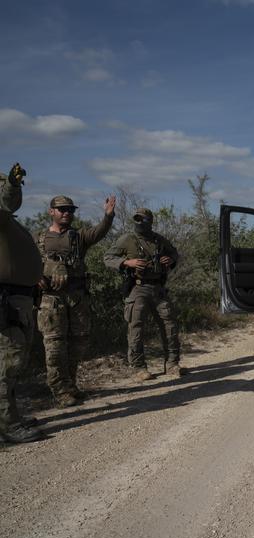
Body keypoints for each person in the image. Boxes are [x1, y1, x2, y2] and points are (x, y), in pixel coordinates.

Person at [37, 194, 115, 407]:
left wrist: (108, 216)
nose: (66, 213)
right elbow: (25, 261)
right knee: (54, 346)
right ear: (51, 212)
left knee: (78, 343)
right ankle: (59, 390)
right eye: (62, 209)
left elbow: (99, 232)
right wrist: (35, 276)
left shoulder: (78, 237)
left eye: (70, 210)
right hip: (51, 300)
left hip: (77, 298)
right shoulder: (39, 238)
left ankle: (70, 384)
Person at [103, 208, 182, 381]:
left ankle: (172, 364)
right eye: (137, 219)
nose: (139, 222)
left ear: (150, 221)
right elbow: (108, 257)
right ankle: (139, 368)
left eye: (143, 219)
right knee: (136, 328)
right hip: (137, 288)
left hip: (158, 288)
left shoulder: (159, 239)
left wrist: (171, 260)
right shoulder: (127, 239)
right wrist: (126, 262)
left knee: (170, 326)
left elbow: (174, 253)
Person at [0, 163, 46, 443]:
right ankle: (6, 425)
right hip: (7, 300)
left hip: (19, 298)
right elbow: (7, 200)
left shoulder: (9, 223)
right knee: (7, 363)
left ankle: (11, 416)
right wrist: (13, 186)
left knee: (13, 362)